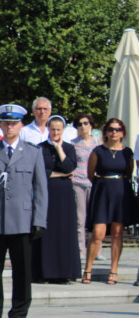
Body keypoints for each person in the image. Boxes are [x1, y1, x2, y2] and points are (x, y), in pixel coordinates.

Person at [0, 104, 48, 318]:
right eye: (5, 123)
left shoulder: (33, 152)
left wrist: (39, 220)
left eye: (14, 123)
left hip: (23, 221)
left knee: (23, 272)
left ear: (21, 125)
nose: (9, 127)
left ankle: (18, 315)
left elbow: (41, 189)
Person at [82, 118, 136, 285]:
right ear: (106, 131)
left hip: (121, 192)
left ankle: (114, 270)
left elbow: (129, 171)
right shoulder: (98, 151)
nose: (114, 132)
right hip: (103, 192)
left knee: (117, 233)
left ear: (123, 132)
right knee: (98, 233)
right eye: (111, 129)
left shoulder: (127, 152)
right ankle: (88, 268)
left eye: (118, 129)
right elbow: (91, 174)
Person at [32, 116, 80, 283]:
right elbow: (40, 171)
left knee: (63, 231)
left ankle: (62, 272)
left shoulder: (69, 147)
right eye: (53, 129)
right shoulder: (40, 148)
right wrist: (60, 174)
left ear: (63, 130)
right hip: (46, 193)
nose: (55, 132)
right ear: (48, 129)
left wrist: (59, 149)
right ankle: (43, 272)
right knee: (45, 231)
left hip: (64, 196)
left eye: (59, 130)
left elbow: (69, 166)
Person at [70, 114, 99, 268]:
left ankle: (96, 249)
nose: (83, 126)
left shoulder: (98, 143)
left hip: (95, 183)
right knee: (80, 218)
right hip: (78, 182)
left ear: (91, 125)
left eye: (85, 123)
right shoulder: (73, 144)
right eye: (79, 124)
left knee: (96, 218)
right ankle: (81, 249)